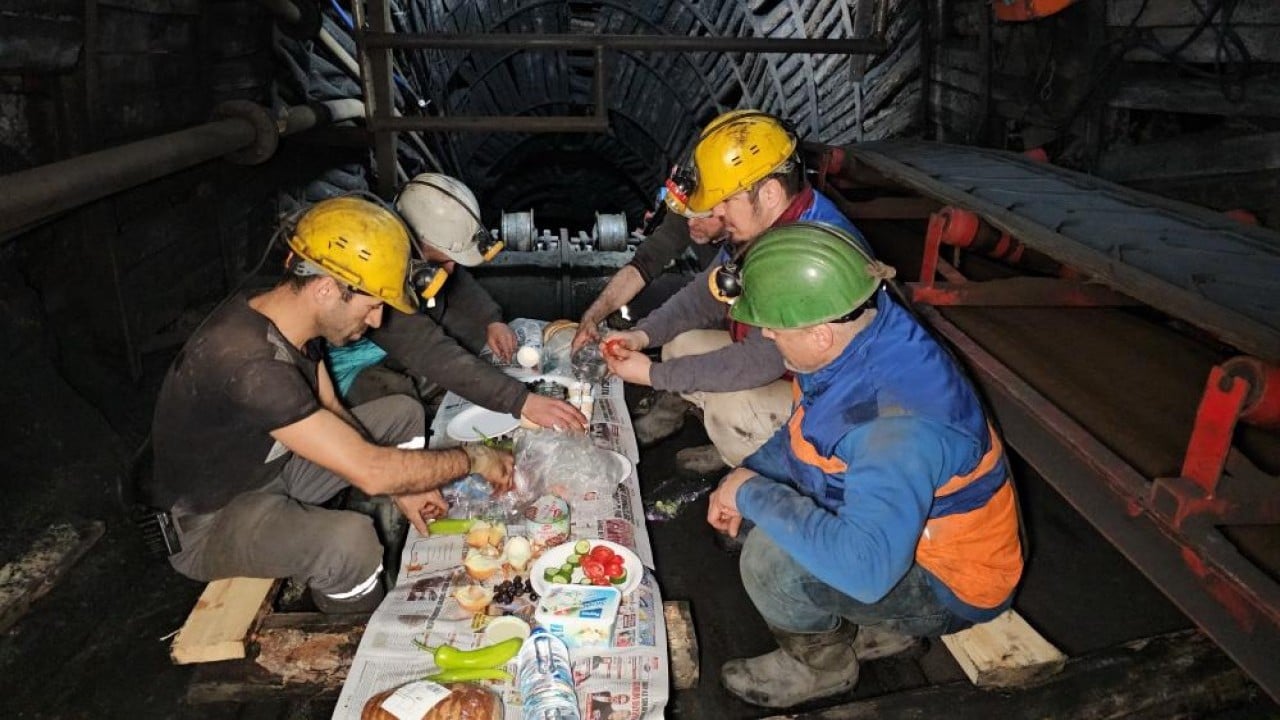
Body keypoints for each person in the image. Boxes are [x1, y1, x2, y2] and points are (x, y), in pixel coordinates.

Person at [704, 222, 1024, 708]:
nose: (765, 331)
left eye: (775, 325)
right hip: (913, 535)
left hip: (953, 582)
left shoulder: (892, 429)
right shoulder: (860, 337)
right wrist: (739, 479)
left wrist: (752, 492)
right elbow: (804, 436)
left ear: (820, 334)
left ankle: (822, 668)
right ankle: (884, 628)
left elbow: (866, 570)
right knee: (761, 521)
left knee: (769, 560)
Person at [150, 196, 515, 614]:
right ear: (325, 289)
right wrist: (475, 458)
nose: (377, 320)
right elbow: (372, 470)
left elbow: (331, 405)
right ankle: (355, 626)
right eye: (373, 305)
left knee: (401, 414)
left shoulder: (286, 313)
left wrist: (403, 487)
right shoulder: (251, 366)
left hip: (272, 466)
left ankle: (404, 521)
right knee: (351, 543)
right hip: (212, 519)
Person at [602, 110, 868, 472]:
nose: (718, 212)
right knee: (680, 344)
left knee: (732, 406)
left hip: (834, 405)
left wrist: (651, 375)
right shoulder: (762, 228)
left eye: (727, 201)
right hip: (791, 371)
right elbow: (705, 295)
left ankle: (756, 482)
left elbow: (759, 361)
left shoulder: (807, 257)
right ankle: (730, 441)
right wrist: (642, 333)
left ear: (770, 192)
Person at [327, 173, 586, 432]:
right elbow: (429, 350)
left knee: (474, 344)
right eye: (440, 263)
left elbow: (458, 281)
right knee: (404, 403)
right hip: (353, 367)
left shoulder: (418, 249)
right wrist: (521, 401)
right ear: (412, 242)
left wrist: (491, 320)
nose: (449, 270)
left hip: (406, 340)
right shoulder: (374, 265)